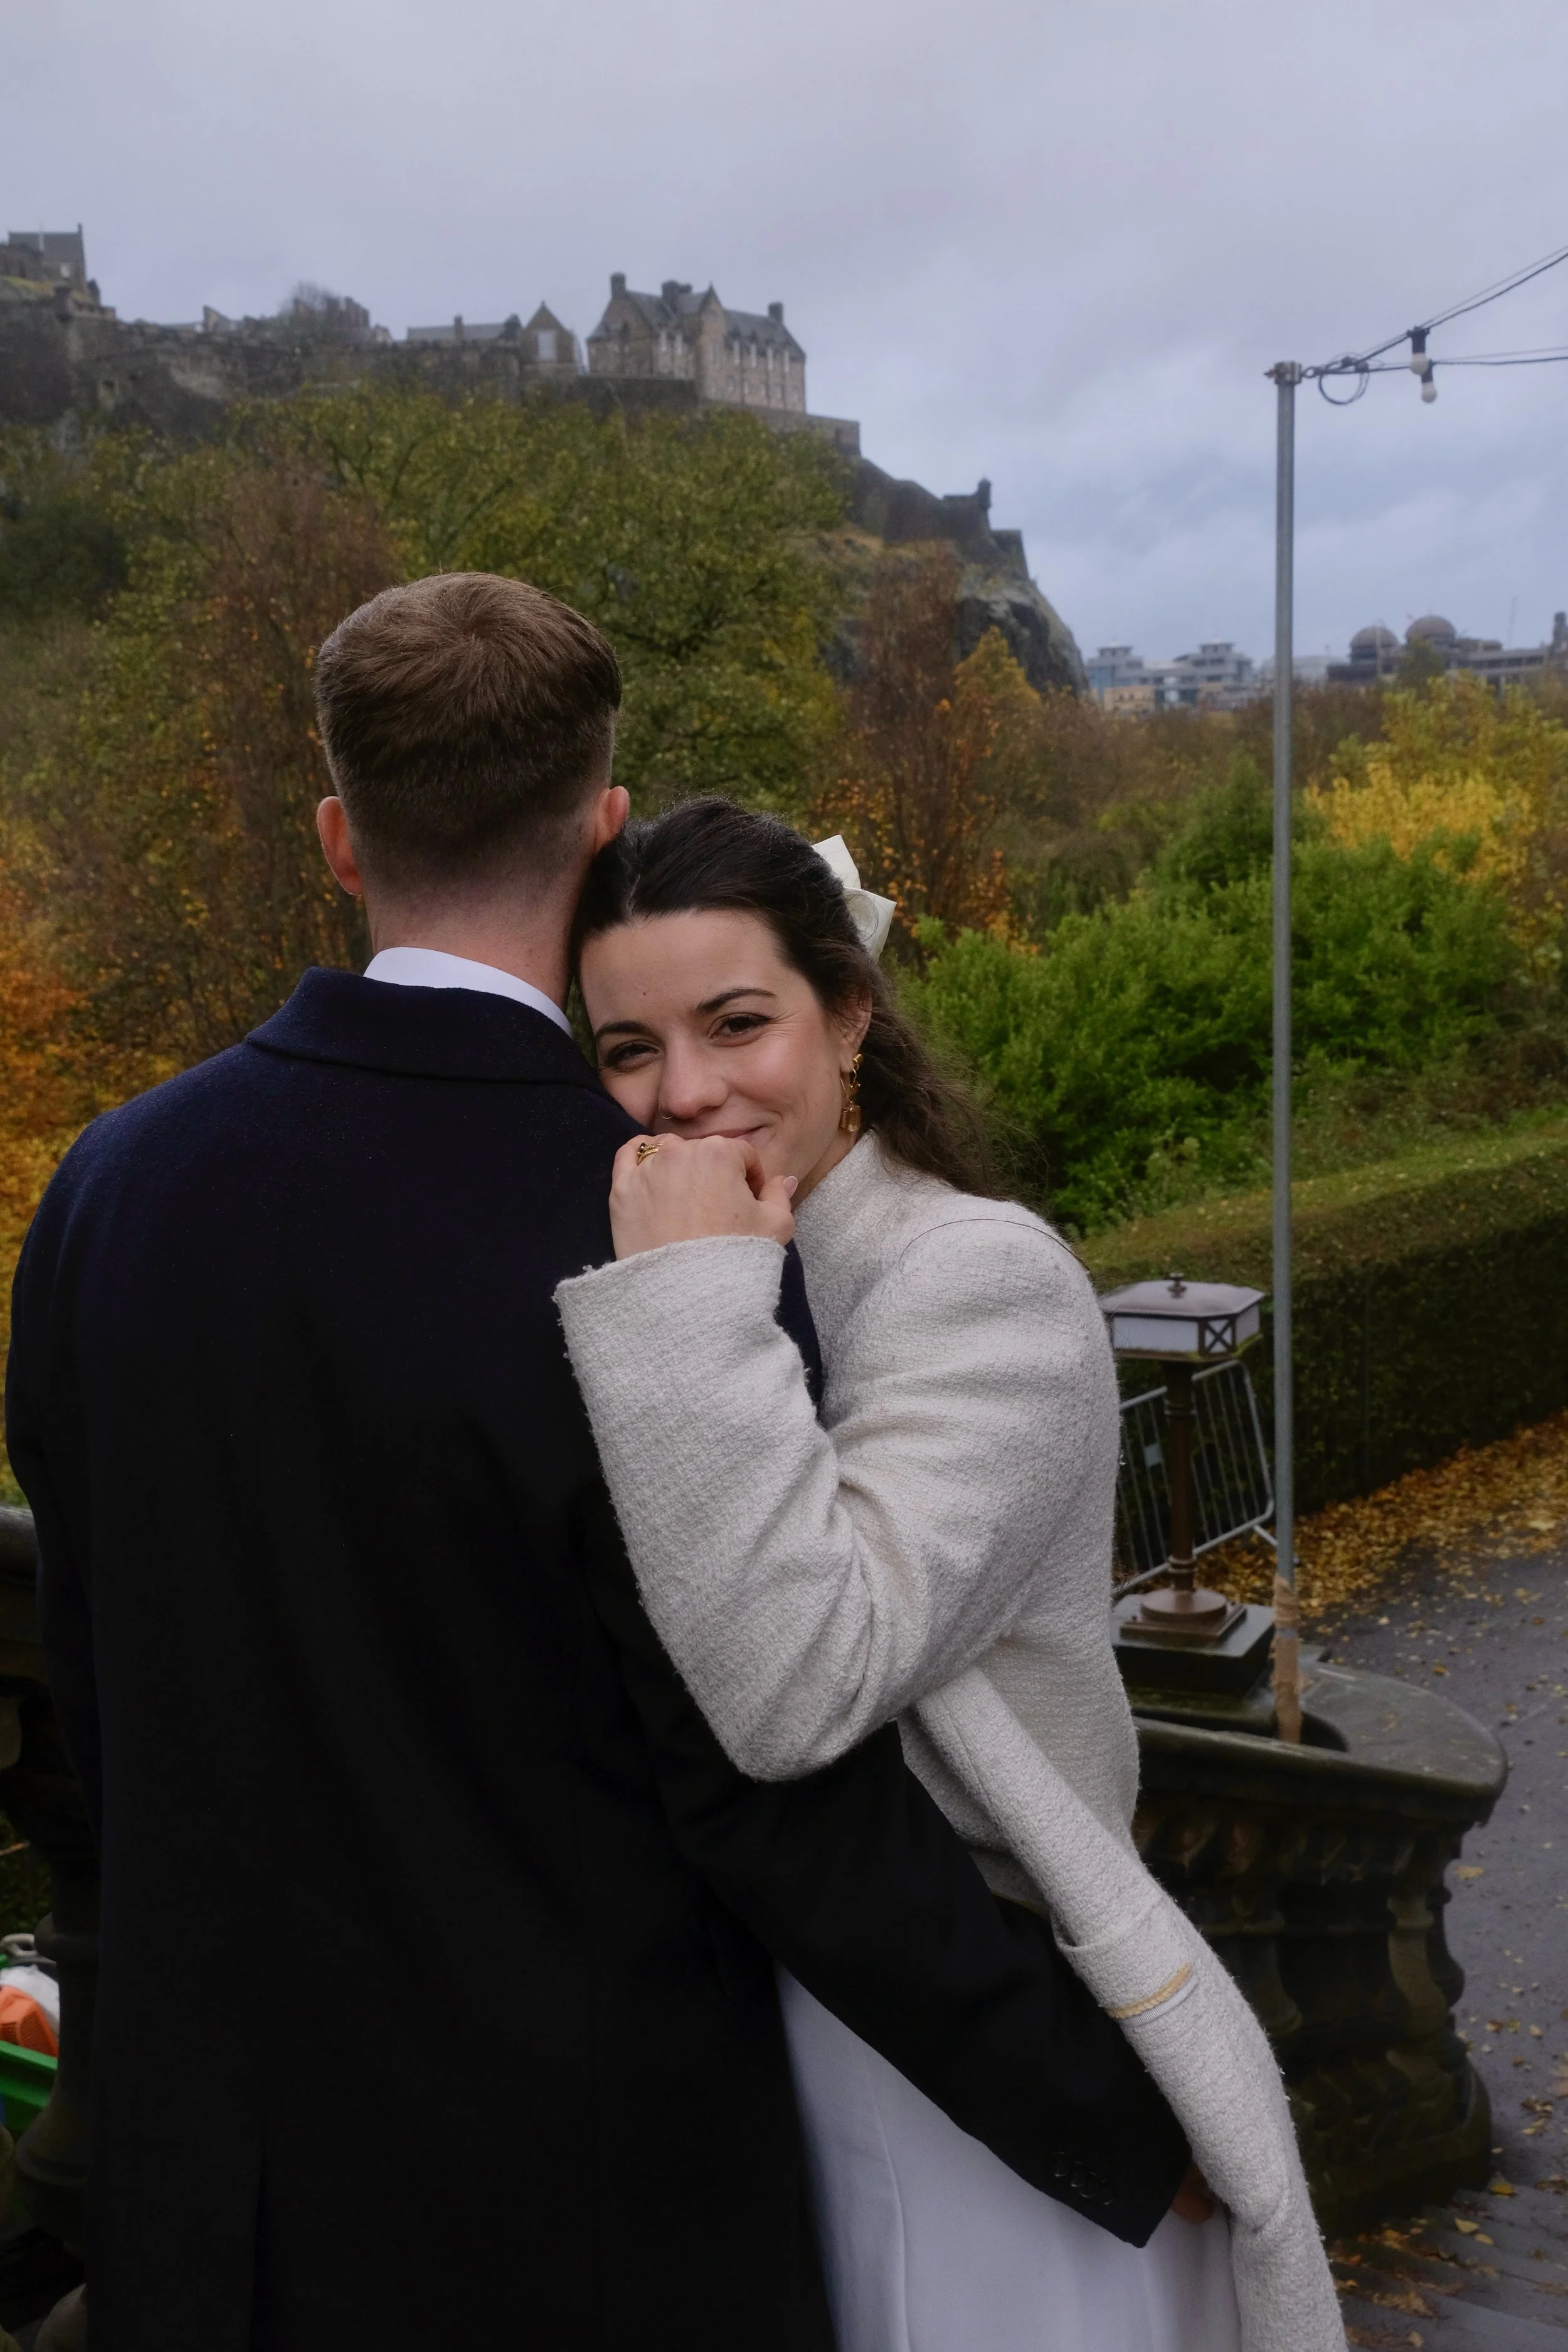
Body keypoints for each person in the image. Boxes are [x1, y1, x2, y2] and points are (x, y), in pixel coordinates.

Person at [4, 576, 1195, 2352]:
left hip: (212, 2188)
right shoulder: (666, 1231)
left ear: (339, 835)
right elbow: (769, 1787)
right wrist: (1097, 2111)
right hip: (579, 2206)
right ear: (603, 824)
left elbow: (93, 1703)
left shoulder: (105, 1182)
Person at [556, 797, 1348, 2352]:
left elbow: (797, 1686)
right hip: (795, 2018)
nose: (689, 1092)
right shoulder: (740, 1257)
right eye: (628, 1050)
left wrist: (679, 1293)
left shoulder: (972, 1282)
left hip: (984, 2037)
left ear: (848, 1013)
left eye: (736, 1023)